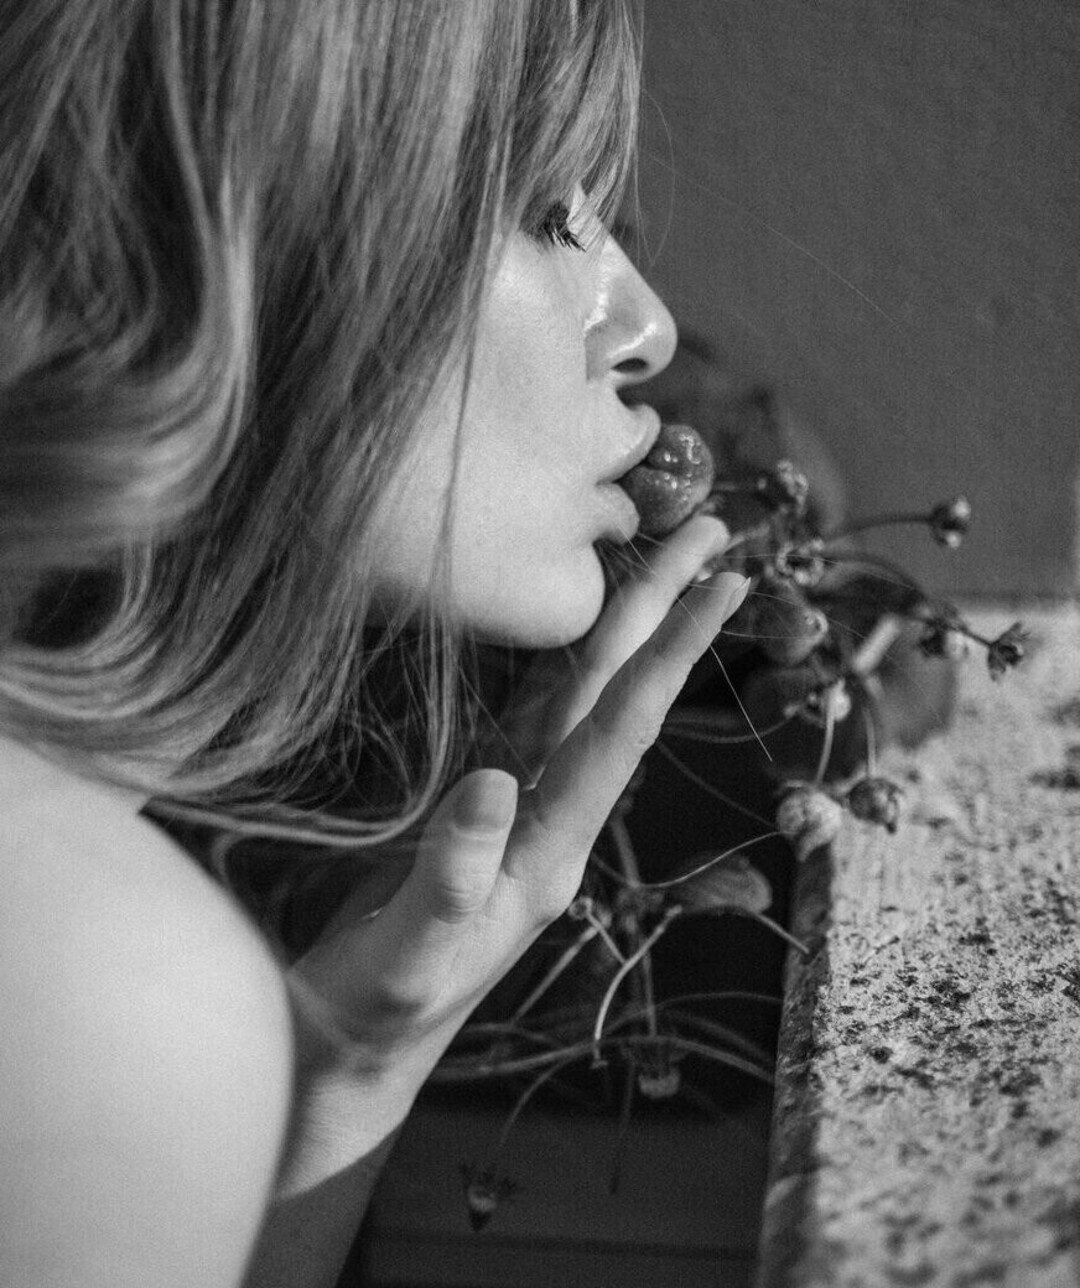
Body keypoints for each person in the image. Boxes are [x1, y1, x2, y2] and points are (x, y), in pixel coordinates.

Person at [0, 3, 750, 1285]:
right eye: (545, 211)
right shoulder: (90, 991)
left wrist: (357, 1062)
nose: (648, 328)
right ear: (256, 239)